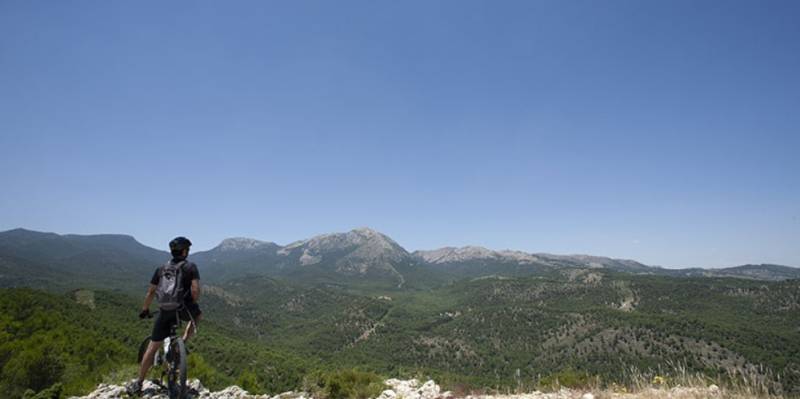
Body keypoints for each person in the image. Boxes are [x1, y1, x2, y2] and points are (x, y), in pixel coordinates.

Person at [127, 236, 202, 395]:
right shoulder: (190, 267)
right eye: (187, 249)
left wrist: (145, 309)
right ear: (184, 251)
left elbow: (151, 292)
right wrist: (192, 302)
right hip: (183, 309)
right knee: (198, 315)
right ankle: (183, 341)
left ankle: (139, 382)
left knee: (153, 346)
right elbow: (195, 290)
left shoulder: (161, 268)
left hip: (164, 310)